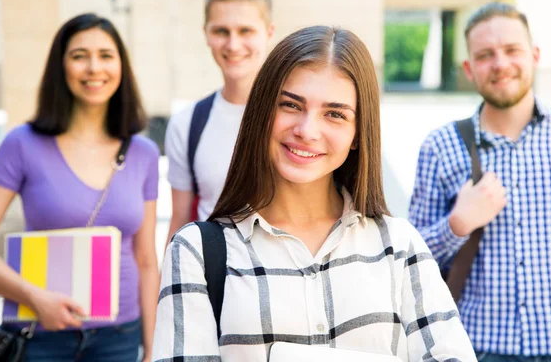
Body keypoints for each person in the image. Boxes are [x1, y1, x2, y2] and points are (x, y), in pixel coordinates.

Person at [152, 26, 476, 361]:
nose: (307, 130)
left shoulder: (399, 245)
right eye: (291, 105)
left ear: (356, 133)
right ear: (262, 112)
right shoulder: (196, 253)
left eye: (335, 114)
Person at [409, 2, 551, 361]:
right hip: (473, 347)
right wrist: (456, 225)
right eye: (485, 55)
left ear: (534, 55)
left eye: (512, 50)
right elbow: (409, 264)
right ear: (469, 68)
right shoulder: (441, 146)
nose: (500, 64)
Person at [0, 13, 160, 361]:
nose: (94, 67)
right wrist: (35, 297)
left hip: (121, 337)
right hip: (41, 334)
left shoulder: (143, 153)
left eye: (106, 55)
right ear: (61, 66)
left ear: (121, 67)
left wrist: (153, 348)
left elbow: (146, 260)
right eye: (79, 55)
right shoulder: (21, 144)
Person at [164, 0, 275, 238]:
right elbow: (179, 223)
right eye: (221, 31)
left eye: (245, 30)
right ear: (206, 34)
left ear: (269, 32)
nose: (233, 44)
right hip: (212, 277)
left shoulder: (297, 118)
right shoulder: (187, 124)